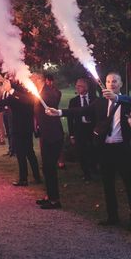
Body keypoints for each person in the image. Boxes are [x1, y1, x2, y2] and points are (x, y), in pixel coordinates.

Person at [47, 72, 131, 226]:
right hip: (106, 149)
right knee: (108, 184)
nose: (111, 84)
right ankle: (113, 217)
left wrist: (117, 98)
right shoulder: (100, 102)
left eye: (114, 81)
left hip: (123, 150)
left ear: (121, 84)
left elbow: (127, 99)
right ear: (105, 83)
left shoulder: (127, 101)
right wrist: (59, 112)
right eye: (108, 81)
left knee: (128, 184)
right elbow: (80, 111)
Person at [0, 78, 41, 186]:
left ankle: (25, 179)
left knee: (23, 154)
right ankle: (35, 177)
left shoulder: (23, 95)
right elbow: (0, 103)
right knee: (29, 153)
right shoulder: (22, 95)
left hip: (21, 129)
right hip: (24, 128)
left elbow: (2, 102)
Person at [32, 73, 63, 209]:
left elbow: (56, 97)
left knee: (50, 167)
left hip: (54, 135)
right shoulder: (36, 92)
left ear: (40, 79)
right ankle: (49, 196)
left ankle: (55, 200)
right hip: (45, 135)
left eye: (33, 77)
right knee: (46, 167)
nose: (30, 79)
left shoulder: (50, 92)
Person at [67, 78, 98, 181]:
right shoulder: (73, 101)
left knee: (94, 150)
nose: (77, 87)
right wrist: (71, 134)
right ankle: (86, 173)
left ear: (86, 87)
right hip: (80, 130)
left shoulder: (95, 99)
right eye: (76, 85)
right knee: (82, 151)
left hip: (92, 129)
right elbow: (70, 119)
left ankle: (94, 169)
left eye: (79, 86)